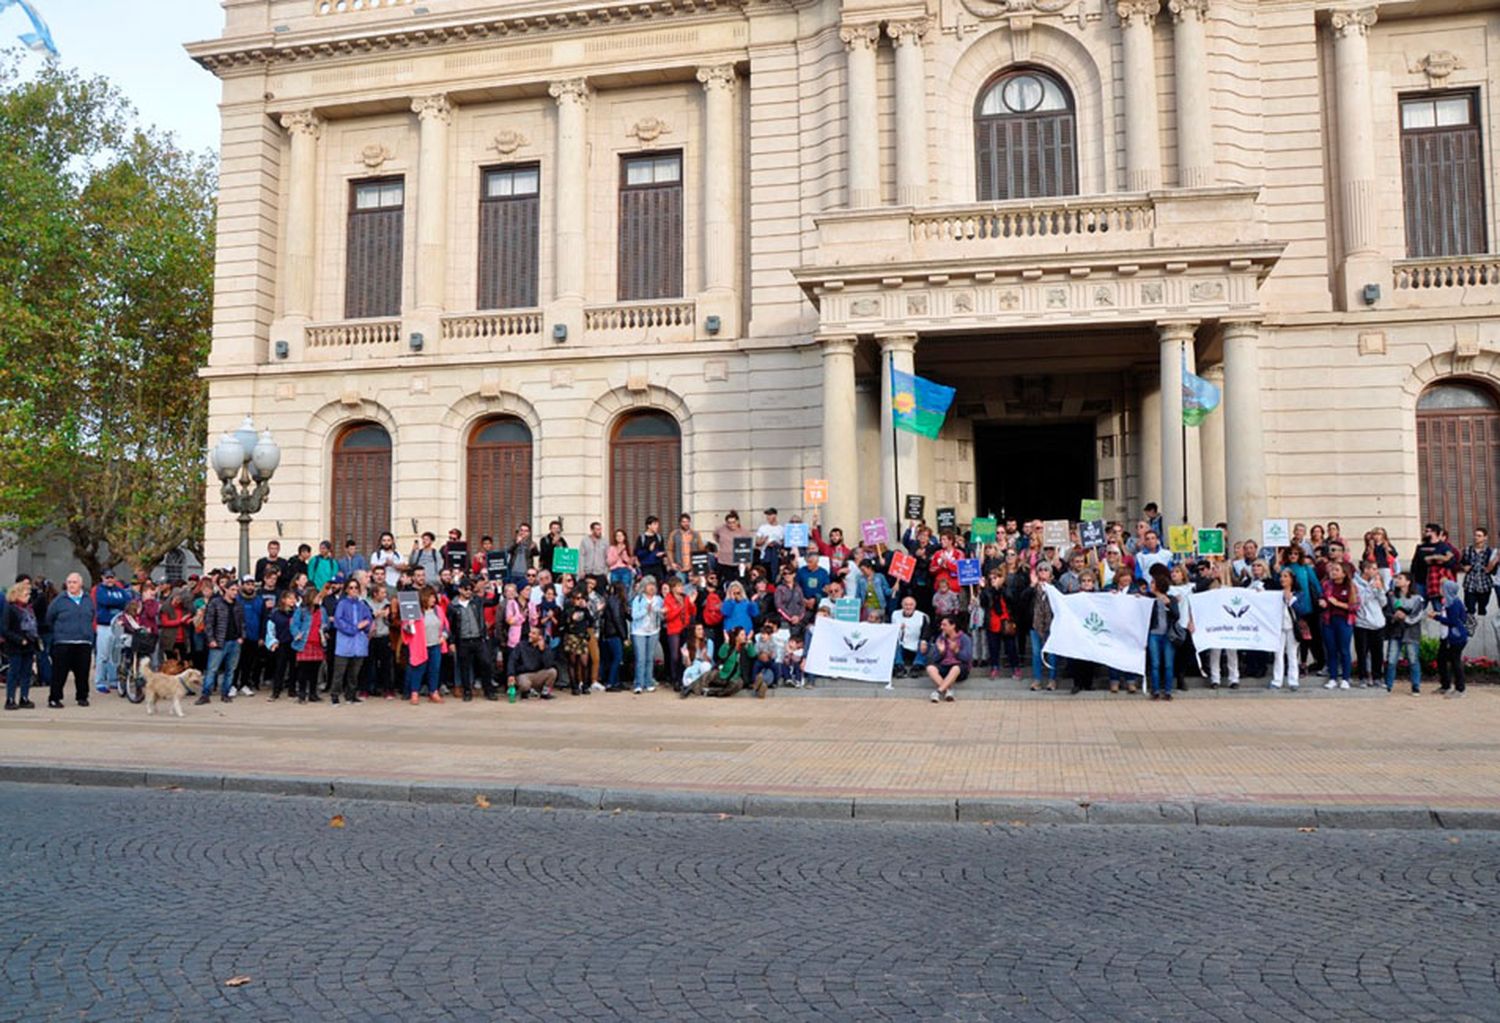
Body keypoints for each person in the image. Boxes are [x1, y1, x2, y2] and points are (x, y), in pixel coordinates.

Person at [44, 573, 95, 708]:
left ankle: (82, 697)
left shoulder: (87, 599)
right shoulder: (59, 600)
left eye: (74, 582)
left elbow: (92, 616)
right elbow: (49, 618)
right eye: (69, 582)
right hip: (63, 641)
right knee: (59, 673)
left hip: (83, 642)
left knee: (83, 672)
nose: (71, 585)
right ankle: (54, 698)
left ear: (81, 584)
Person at [198, 581, 245, 704]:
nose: (235, 593)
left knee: (230, 670)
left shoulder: (238, 605)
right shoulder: (215, 603)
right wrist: (211, 639)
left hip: (234, 641)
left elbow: (242, 623)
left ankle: (225, 693)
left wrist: (241, 637)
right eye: (233, 590)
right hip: (219, 640)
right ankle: (205, 694)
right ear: (226, 590)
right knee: (212, 669)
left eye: (236, 590)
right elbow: (208, 623)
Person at [92, 570, 133, 695]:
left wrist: (116, 602)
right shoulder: (100, 590)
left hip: (118, 626)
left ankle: (113, 679)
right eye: (107, 577)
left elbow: (128, 601)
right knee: (102, 655)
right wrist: (118, 603)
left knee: (115, 655)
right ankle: (100, 681)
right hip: (104, 626)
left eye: (111, 577)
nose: (109, 580)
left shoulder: (120, 591)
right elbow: (104, 601)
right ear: (102, 578)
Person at [1318, 561, 1357, 690]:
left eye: (1336, 570)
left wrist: (1338, 603)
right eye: (1332, 570)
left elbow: (1355, 606)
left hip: (1344, 621)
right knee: (1331, 650)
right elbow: (1322, 596)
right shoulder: (1327, 585)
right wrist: (1322, 601)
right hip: (1329, 620)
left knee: (1344, 650)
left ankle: (1345, 678)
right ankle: (1333, 677)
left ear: (1344, 573)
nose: (1333, 572)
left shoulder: (1351, 587)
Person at [1384, 572, 1423, 695]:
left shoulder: (1417, 598)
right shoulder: (1392, 597)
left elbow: (1418, 615)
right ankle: (1388, 685)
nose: (1397, 580)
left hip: (1411, 633)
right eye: (1396, 578)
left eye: (1400, 578)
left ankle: (1416, 686)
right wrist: (1394, 617)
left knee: (1413, 659)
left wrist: (1405, 618)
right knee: (1391, 660)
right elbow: (1387, 612)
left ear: (1408, 582)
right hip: (1395, 631)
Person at [3, 580, 39, 710]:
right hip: (15, 646)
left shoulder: (29, 609)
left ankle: (24, 697)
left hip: (29, 644)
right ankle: (10, 698)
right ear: (16, 595)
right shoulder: (11, 609)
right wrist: (19, 640)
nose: (28, 597)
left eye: (28, 595)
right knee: (14, 673)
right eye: (25, 594)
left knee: (26, 673)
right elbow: (4, 629)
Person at [1430, 578, 1470, 697]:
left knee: (1455, 662)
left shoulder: (1453, 603)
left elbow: (1452, 621)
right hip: (1447, 637)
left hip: (1455, 638)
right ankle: (1445, 685)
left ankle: (1460, 688)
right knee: (1441, 660)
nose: (1440, 590)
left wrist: (1436, 618)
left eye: (1443, 588)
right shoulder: (1448, 602)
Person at [1351, 561, 1387, 687]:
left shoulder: (1376, 582)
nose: (1376, 571)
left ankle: (1377, 677)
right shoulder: (1354, 583)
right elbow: (1360, 601)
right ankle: (1363, 677)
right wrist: (1370, 588)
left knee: (1377, 652)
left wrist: (1380, 590)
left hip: (1377, 622)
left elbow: (1383, 603)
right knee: (1362, 652)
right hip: (1362, 623)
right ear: (1365, 570)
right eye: (1373, 569)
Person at [925, 615, 972, 703]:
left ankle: (937, 692)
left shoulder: (964, 638)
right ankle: (947, 691)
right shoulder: (940, 638)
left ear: (953, 625)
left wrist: (956, 651)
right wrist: (941, 652)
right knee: (930, 668)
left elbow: (967, 658)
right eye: (941, 625)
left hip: (960, 668)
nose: (942, 627)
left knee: (955, 668)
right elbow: (932, 659)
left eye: (944, 625)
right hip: (944, 666)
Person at [290, 588, 325, 704]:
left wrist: (324, 629)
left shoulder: (322, 611)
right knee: (303, 671)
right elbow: (294, 624)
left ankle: (313, 694)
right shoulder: (302, 611)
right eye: (317, 597)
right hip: (305, 643)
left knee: (315, 671)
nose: (319, 599)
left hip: (317, 643)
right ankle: (301, 693)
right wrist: (296, 633)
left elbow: (325, 624)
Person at [630, 577, 663, 694]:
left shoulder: (658, 599)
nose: (652, 587)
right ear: (644, 587)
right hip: (639, 631)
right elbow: (634, 616)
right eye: (649, 585)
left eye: (653, 585)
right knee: (640, 658)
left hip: (653, 630)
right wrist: (646, 611)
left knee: (650, 658)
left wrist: (662, 612)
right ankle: (638, 683)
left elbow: (661, 614)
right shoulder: (638, 599)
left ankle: (649, 682)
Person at [1270, 568, 1301, 691]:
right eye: (1281, 576)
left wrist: (1291, 600)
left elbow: (1302, 609)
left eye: (1286, 576)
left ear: (1292, 579)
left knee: (1292, 654)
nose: (1283, 579)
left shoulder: (1298, 593)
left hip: (1292, 627)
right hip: (1279, 627)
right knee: (1278, 654)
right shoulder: (1276, 593)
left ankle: (1293, 680)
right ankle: (1277, 680)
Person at [507, 626, 558, 699]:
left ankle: (545, 692)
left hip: (538, 674)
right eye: (530, 633)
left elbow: (549, 665)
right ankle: (527, 691)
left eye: (533, 634)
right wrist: (511, 674)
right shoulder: (521, 645)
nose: (530, 635)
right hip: (524, 674)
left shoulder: (545, 647)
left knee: (553, 672)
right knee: (524, 684)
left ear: (540, 637)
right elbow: (512, 660)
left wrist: (543, 651)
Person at [560, 588, 595, 695]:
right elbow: (563, 624)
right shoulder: (568, 609)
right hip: (571, 636)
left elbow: (591, 621)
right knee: (572, 662)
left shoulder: (584, 610)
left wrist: (586, 609)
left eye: (582, 598)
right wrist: (570, 618)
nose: (580, 600)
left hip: (582, 636)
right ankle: (574, 686)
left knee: (584, 662)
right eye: (577, 598)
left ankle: (585, 685)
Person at [1147, 573, 1176, 701]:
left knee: (1168, 664)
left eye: (1153, 583)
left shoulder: (1171, 598)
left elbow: (1177, 615)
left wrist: (1169, 604)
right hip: (1154, 634)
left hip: (1168, 635)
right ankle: (1156, 690)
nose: (1151, 585)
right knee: (1155, 663)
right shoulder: (1148, 599)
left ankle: (1168, 690)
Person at [1029, 562, 1058, 691]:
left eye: (1046, 569)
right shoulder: (1033, 587)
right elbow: (1023, 599)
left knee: (1052, 653)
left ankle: (1052, 679)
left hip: (1052, 624)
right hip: (1035, 624)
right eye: (1040, 570)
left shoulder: (1056, 586)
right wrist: (1032, 586)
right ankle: (1037, 679)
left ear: (1050, 573)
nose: (1043, 572)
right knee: (1036, 653)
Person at [596, 582, 629, 692]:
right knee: (617, 658)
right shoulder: (615, 601)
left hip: (610, 632)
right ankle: (611, 682)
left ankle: (616, 681)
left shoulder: (611, 600)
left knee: (615, 658)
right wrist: (624, 636)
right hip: (613, 633)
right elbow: (617, 619)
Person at [265, 589, 297, 700]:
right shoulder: (276, 613)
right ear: (283, 600)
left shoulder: (297, 612)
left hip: (294, 643)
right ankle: (276, 691)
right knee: (280, 668)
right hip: (282, 643)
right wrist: (273, 642)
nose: (293, 600)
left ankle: (292, 691)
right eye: (290, 598)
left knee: (294, 668)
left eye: (294, 598)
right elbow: (270, 629)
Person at [662, 577, 693, 689]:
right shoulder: (668, 599)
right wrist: (680, 608)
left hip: (685, 628)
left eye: (681, 586)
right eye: (679, 586)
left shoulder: (685, 597)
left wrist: (691, 603)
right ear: (673, 588)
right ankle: (674, 678)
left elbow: (692, 611)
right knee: (674, 655)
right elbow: (669, 616)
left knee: (684, 654)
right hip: (674, 629)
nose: (681, 588)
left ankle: (683, 678)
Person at [1460, 527, 1497, 617]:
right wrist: (1463, 567)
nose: (1476, 537)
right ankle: (1471, 628)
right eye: (1475, 535)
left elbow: (1494, 569)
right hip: (1470, 584)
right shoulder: (1468, 550)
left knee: (1482, 609)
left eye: (1479, 536)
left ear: (1485, 538)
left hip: (1484, 584)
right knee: (1470, 609)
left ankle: (1481, 629)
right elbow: (1461, 563)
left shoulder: (1489, 551)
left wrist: (1491, 567)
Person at [891, 595, 929, 678]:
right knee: (893, 642)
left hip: (916, 644)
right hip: (902, 644)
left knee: (925, 643)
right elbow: (891, 631)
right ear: (902, 605)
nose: (908, 607)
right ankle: (899, 666)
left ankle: (917, 666)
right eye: (906, 604)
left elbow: (926, 632)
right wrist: (898, 628)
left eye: (911, 605)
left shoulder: (922, 616)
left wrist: (923, 641)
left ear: (914, 606)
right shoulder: (895, 614)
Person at [666, 514, 703, 580]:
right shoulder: (674, 534)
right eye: (684, 522)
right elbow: (669, 550)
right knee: (680, 587)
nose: (686, 524)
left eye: (687, 521)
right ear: (680, 523)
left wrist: (699, 565)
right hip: (679, 567)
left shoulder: (696, 534)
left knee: (693, 588)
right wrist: (672, 563)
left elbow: (701, 549)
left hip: (693, 568)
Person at [578, 521, 609, 588]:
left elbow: (607, 557)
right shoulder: (585, 541)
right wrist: (581, 570)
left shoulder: (605, 542)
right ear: (592, 530)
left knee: (600, 593)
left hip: (600, 572)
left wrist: (605, 572)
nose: (599, 531)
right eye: (597, 529)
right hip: (588, 572)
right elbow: (581, 556)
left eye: (600, 529)